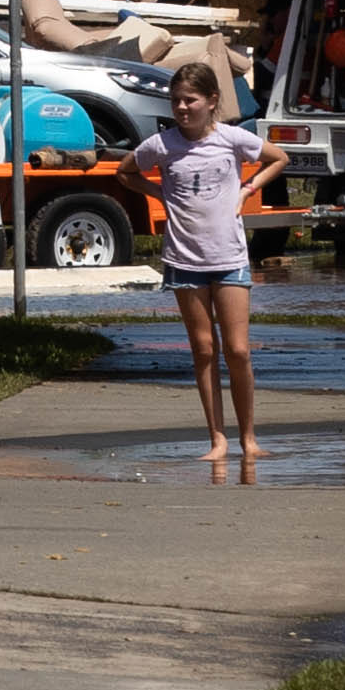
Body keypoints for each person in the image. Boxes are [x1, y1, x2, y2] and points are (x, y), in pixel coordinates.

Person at [127, 64, 273, 480]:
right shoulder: (163, 144)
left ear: (212, 101)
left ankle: (248, 436)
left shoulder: (232, 138)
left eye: (190, 100)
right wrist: (160, 192)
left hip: (229, 256)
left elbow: (278, 157)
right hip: (185, 259)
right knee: (204, 349)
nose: (182, 107)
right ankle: (217, 438)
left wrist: (247, 189)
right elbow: (127, 172)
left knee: (239, 350)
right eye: (176, 100)